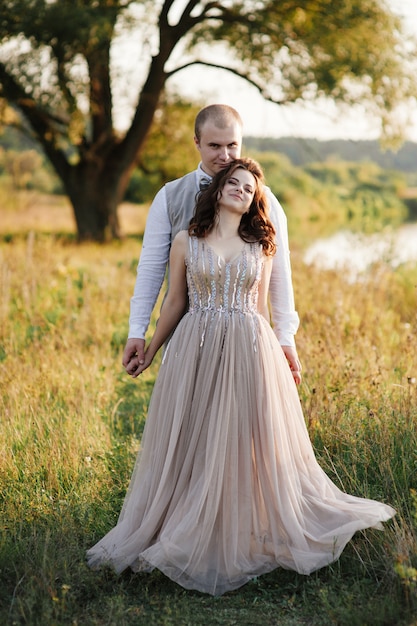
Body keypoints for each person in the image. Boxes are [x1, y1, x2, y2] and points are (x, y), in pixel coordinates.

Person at [87, 158, 395, 596]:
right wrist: (151, 349)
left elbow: (266, 307)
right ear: (217, 189)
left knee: (248, 438)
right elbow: (174, 302)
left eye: (248, 189)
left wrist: (281, 348)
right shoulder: (185, 241)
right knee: (196, 434)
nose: (240, 190)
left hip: (249, 348)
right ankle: (189, 522)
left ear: (254, 201)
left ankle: (245, 525)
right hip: (196, 348)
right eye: (233, 182)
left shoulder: (260, 244)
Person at [122, 104, 302, 384]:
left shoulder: (264, 199)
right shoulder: (170, 197)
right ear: (197, 142)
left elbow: (279, 273)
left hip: (245, 341)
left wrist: (284, 336)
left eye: (232, 145)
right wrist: (137, 330)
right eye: (214, 145)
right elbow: (151, 270)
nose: (225, 155)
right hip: (188, 339)